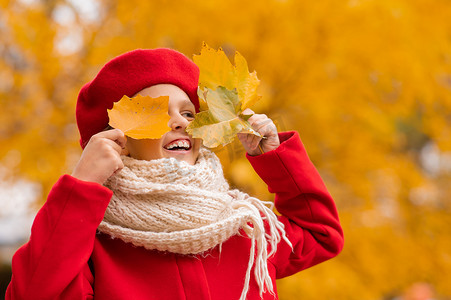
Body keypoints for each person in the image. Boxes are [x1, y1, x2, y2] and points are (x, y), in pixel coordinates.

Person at [6, 48, 344, 300]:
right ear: (117, 140)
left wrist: (273, 157)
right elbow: (33, 292)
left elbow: (321, 235)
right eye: (156, 114)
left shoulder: (242, 228)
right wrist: (81, 188)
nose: (181, 121)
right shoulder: (93, 245)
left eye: (187, 112)